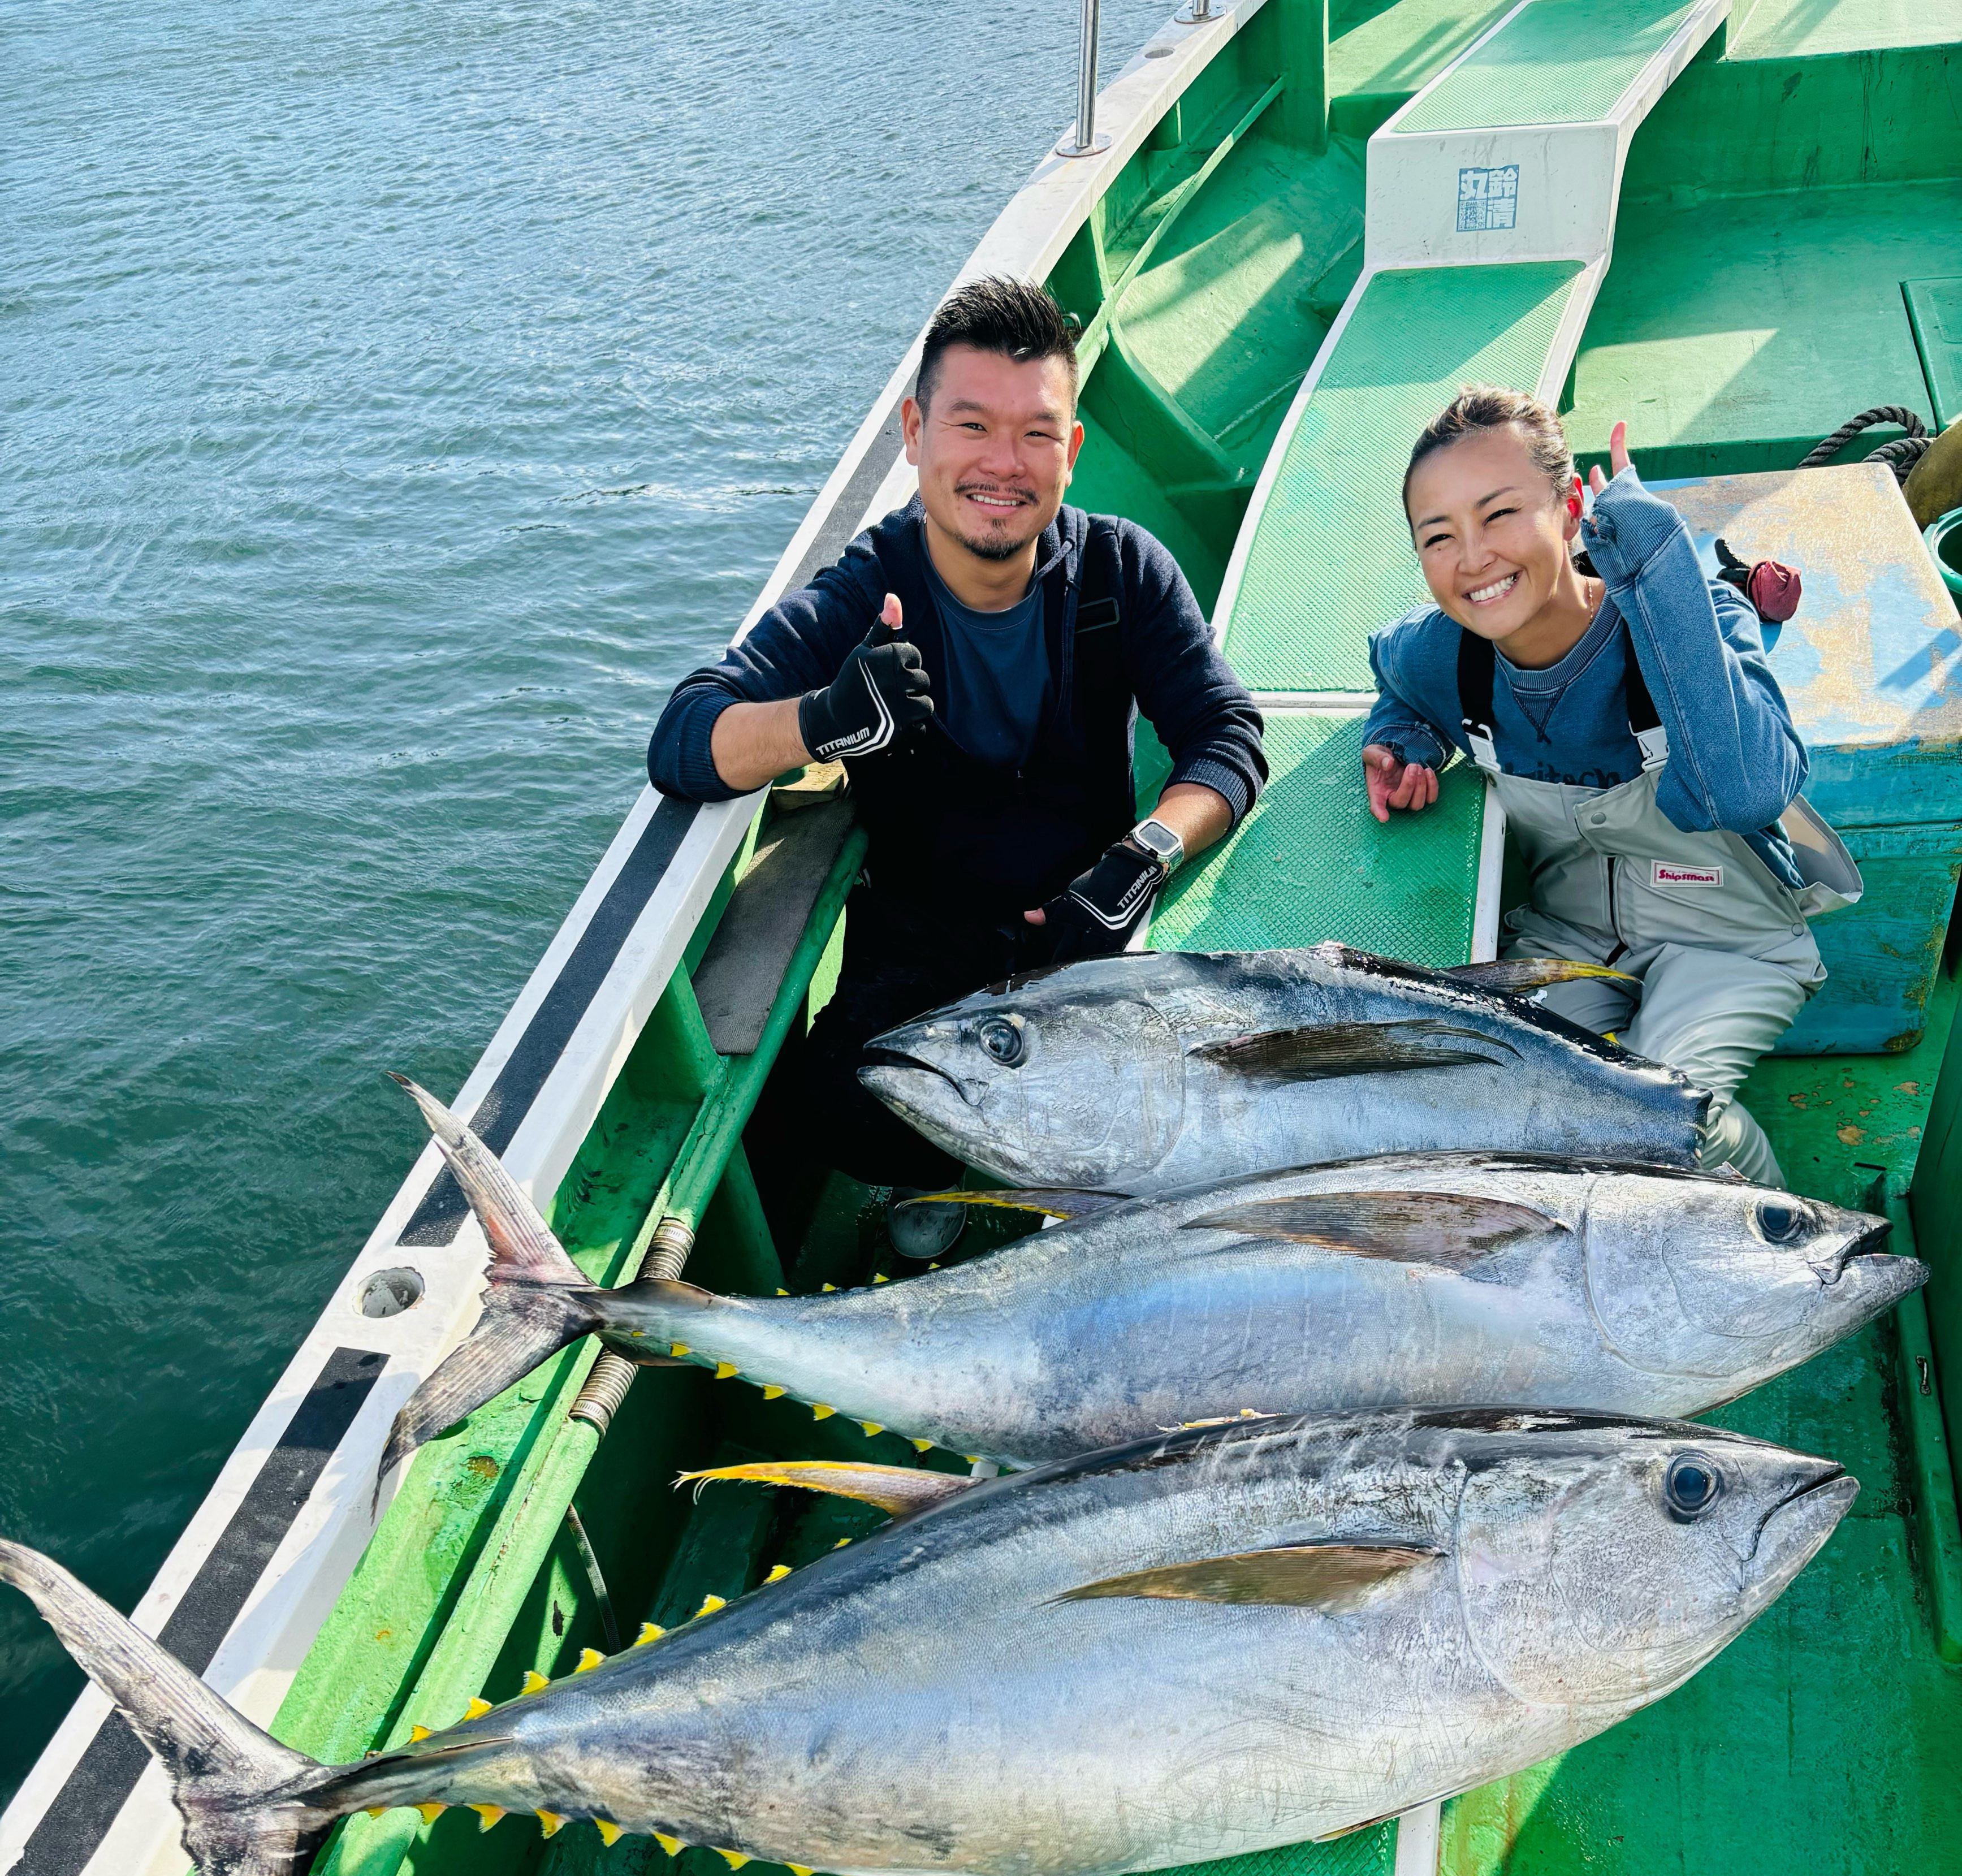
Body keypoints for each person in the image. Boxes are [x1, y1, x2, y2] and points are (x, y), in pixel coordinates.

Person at [649, 276, 1267, 1252]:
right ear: (914, 431)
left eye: (1035, 434)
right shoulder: (868, 587)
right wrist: (826, 718)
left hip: (1089, 926)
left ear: (1072, 449)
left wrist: (1140, 857)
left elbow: (1227, 734)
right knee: (833, 1104)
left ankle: (1057, 1178)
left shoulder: (1121, 570)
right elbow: (686, 738)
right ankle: (940, 1171)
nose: (1001, 464)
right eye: (971, 425)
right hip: (921, 946)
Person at [1362, 384, 1858, 1188]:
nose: (1472, 557)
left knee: (1660, 1122)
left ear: (1567, 511)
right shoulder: (1439, 654)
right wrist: (1399, 736)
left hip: (1725, 935)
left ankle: (1778, 1238)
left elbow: (1744, 793)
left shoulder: (1699, 613)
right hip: (1567, 941)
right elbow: (1388, 672)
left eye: (1498, 515)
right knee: (1503, 1113)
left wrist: (1658, 561)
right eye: (1437, 537)